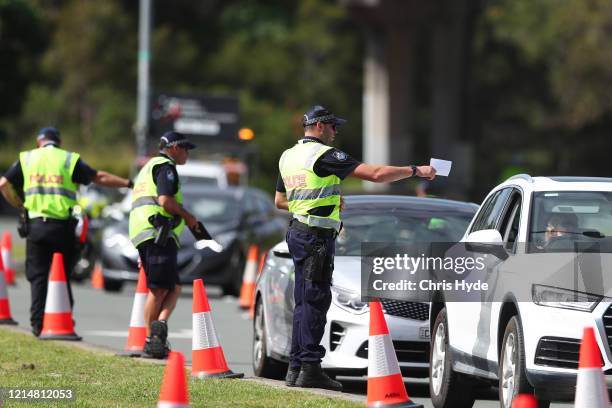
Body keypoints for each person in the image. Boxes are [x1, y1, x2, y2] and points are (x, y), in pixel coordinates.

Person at [275, 105, 436, 390]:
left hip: (298, 231)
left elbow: (280, 201)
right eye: (334, 126)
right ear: (321, 126)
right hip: (316, 238)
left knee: (303, 300)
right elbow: (375, 174)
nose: (336, 132)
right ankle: (310, 368)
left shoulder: (288, 156)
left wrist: (320, 204)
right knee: (315, 301)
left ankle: (296, 366)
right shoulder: (323, 155)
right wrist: (415, 170)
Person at [0, 127, 132, 337]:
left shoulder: (27, 158)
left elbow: (3, 183)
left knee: (38, 276)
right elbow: (99, 177)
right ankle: (63, 321)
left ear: (38, 142)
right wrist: (128, 183)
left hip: (36, 226)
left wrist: (19, 204)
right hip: (62, 227)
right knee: (62, 275)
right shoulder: (68, 159)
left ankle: (37, 325)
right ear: (58, 142)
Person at [128, 131, 200, 359]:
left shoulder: (149, 166)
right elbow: (165, 201)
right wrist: (188, 217)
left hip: (150, 233)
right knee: (159, 289)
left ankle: (159, 331)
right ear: (174, 148)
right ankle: (152, 340)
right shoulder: (165, 166)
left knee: (174, 287)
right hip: (156, 232)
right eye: (185, 148)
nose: (188, 153)